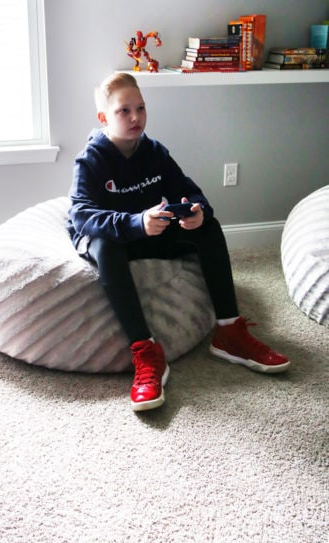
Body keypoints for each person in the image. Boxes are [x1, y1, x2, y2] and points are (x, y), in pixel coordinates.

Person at [67, 72, 290, 412]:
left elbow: (189, 190)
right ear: (103, 118)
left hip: (151, 230)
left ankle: (229, 332)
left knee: (208, 226)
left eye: (140, 108)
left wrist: (198, 211)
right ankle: (146, 352)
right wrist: (135, 222)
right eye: (123, 111)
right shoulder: (90, 160)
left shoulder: (155, 152)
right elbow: (82, 215)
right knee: (105, 245)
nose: (135, 117)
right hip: (117, 237)